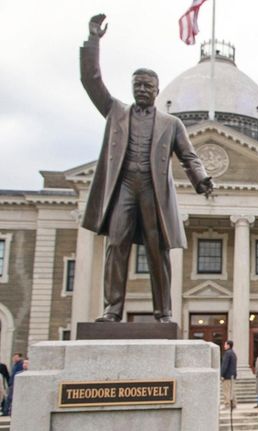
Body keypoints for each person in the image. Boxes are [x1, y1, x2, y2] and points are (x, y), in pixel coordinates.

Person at [79, 14, 213, 323]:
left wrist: (201, 179)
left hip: (154, 191)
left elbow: (188, 155)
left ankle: (163, 312)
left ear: (157, 90)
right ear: (132, 87)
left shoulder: (171, 123)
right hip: (123, 186)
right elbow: (91, 80)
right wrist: (93, 40)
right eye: (138, 85)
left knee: (157, 251)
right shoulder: (116, 112)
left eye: (148, 86)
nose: (142, 89)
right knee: (116, 245)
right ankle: (112, 309)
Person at [220, 340, 237, 410]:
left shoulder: (227, 353)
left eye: (225, 344)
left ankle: (227, 404)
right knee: (231, 390)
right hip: (232, 375)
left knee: (226, 391)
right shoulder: (233, 353)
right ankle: (233, 404)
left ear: (228, 345)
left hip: (227, 376)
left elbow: (225, 365)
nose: (224, 346)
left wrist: (222, 375)